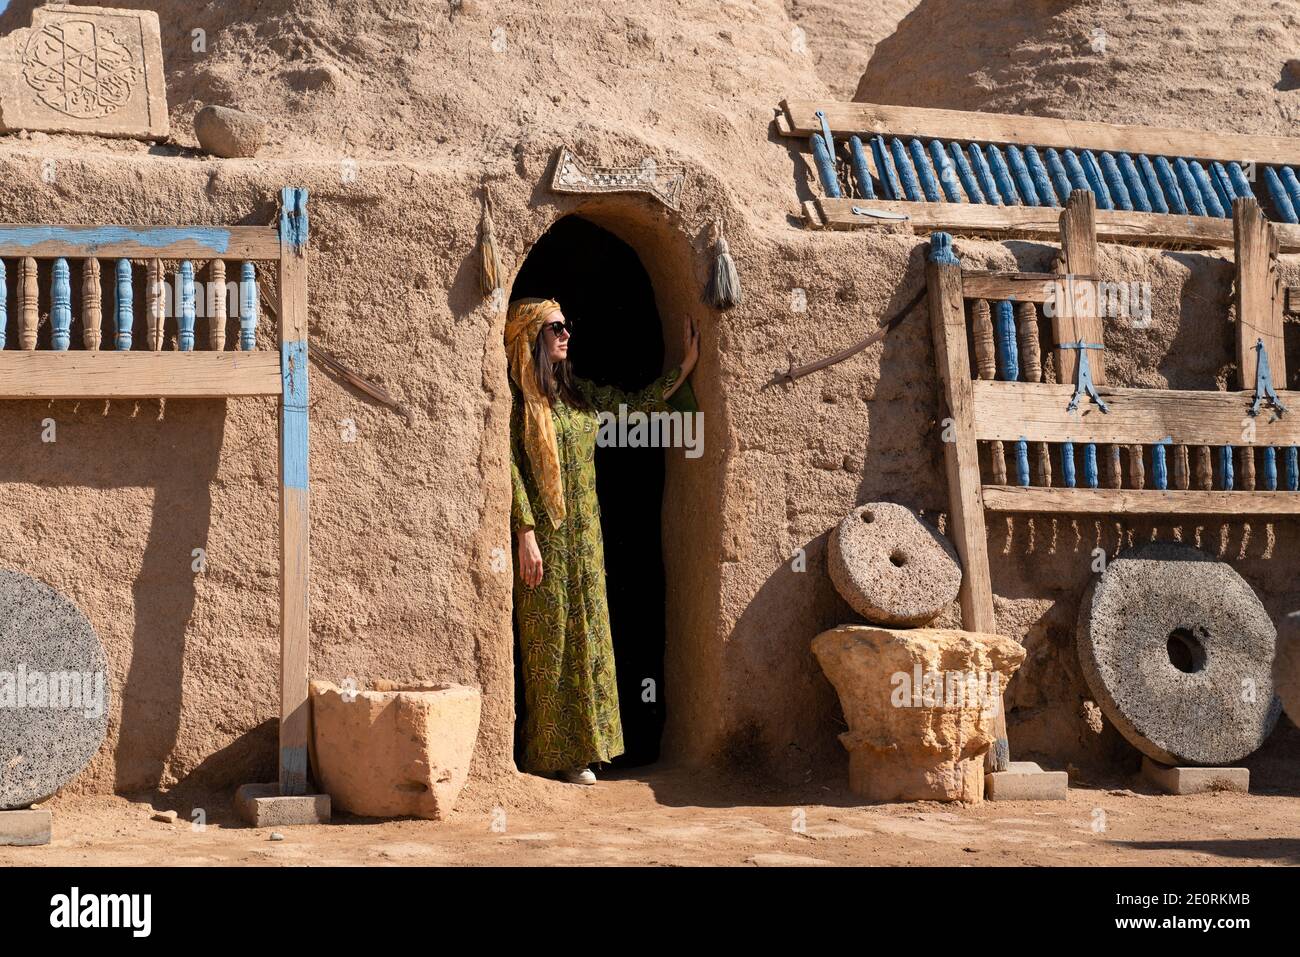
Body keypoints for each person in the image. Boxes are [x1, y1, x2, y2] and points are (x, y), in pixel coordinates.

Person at [505, 297, 699, 784]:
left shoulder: (578, 395)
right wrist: (524, 533)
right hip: (546, 541)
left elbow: (634, 408)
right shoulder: (518, 401)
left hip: (587, 539)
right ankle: (550, 756)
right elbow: (508, 468)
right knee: (551, 642)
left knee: (590, 639)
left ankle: (588, 751)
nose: (566, 334)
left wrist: (687, 366)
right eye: (555, 328)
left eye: (568, 326)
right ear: (532, 337)